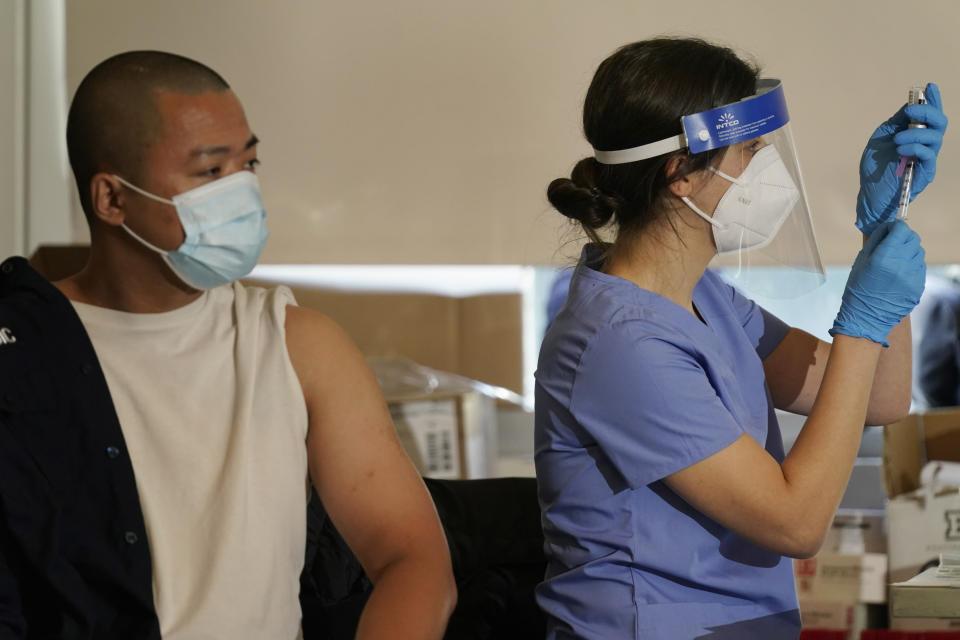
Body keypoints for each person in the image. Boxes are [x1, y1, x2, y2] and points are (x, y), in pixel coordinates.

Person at [0, 51, 456, 639]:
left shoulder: (295, 346)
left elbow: (412, 559)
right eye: (211, 173)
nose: (241, 192)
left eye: (249, 163)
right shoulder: (26, 351)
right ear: (112, 199)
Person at [534, 37, 946, 639]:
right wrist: (860, 321)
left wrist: (883, 228)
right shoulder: (618, 343)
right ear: (680, 174)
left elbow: (881, 399)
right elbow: (796, 523)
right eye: (751, 150)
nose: (767, 171)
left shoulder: (704, 298)